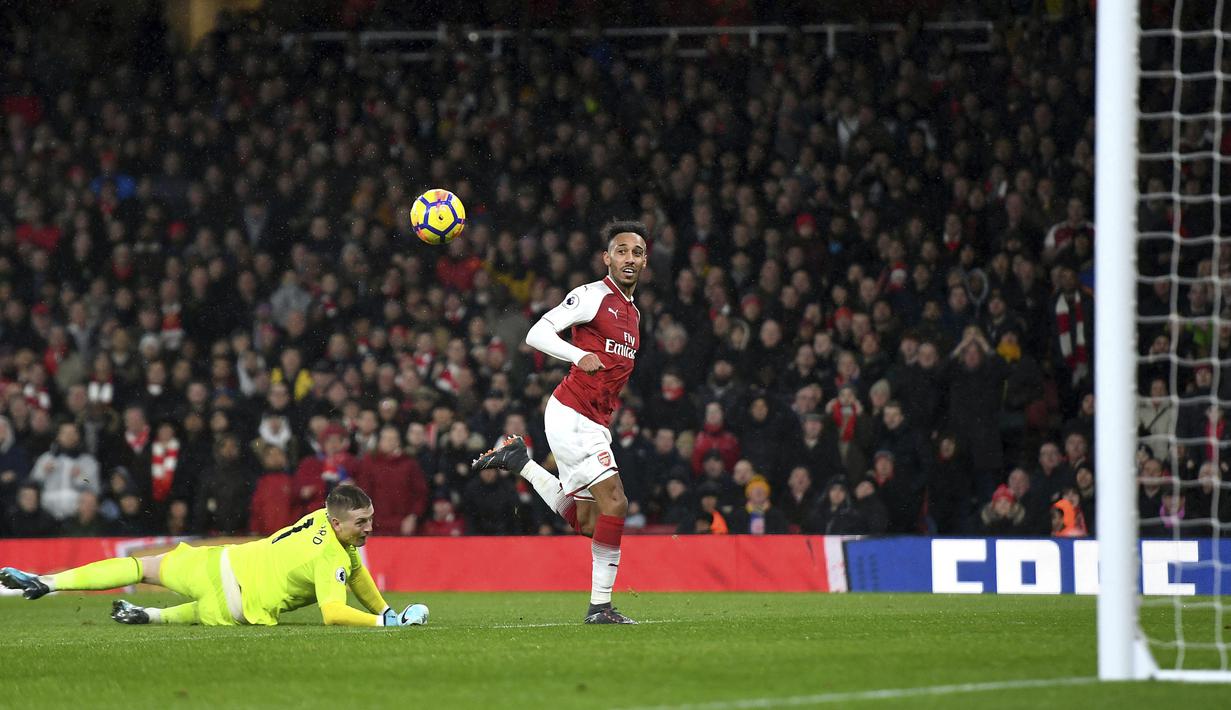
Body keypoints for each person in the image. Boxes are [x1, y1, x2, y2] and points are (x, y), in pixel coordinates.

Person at [472, 220, 647, 624]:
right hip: (573, 412)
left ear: (644, 262)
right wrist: (576, 355)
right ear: (607, 258)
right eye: (621, 250)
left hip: (593, 420)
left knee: (589, 523)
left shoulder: (634, 313)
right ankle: (600, 607)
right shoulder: (591, 296)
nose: (629, 258)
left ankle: (521, 463)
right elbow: (537, 333)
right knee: (616, 502)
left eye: (637, 252)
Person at [1, 484, 428, 628]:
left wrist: (386, 609)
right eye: (361, 522)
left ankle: (49, 581)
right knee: (211, 609)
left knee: (140, 567)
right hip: (235, 608)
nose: (369, 527)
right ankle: (151, 616)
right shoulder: (331, 557)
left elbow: (357, 574)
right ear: (337, 523)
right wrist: (382, 623)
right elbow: (333, 612)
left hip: (216, 564)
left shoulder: (320, 517)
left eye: (370, 519)